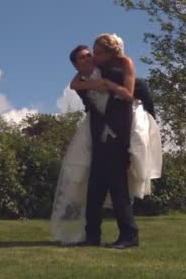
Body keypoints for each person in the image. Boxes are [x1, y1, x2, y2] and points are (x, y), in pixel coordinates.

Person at [50, 34, 162, 249]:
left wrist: (108, 85)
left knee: (118, 187)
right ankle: (92, 236)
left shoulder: (119, 66)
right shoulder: (88, 76)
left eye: (95, 53)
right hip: (98, 136)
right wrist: (98, 82)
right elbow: (75, 84)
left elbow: (129, 93)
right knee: (95, 188)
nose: (92, 57)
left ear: (110, 52)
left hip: (119, 133)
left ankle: (130, 236)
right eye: (86, 56)